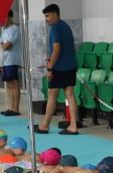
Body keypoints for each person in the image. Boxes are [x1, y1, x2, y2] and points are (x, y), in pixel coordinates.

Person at [36, 4, 79, 135]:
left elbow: (57, 49)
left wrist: (50, 68)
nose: (46, 19)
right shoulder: (66, 27)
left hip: (60, 68)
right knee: (70, 95)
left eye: (48, 16)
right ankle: (73, 126)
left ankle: (44, 125)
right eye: (45, 16)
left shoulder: (55, 28)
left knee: (52, 95)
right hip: (71, 66)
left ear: (56, 14)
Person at [0, 10, 22, 117]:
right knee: (8, 84)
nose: (2, 20)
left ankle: (16, 108)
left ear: (10, 17)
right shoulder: (4, 30)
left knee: (14, 83)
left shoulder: (14, 29)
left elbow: (7, 46)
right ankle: (10, 107)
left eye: (4, 18)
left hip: (12, 60)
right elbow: (0, 46)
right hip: (5, 60)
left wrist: (5, 46)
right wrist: (4, 46)